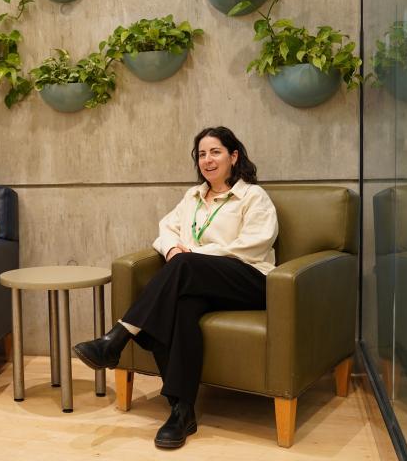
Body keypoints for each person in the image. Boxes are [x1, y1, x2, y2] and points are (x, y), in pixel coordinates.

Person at [74, 126, 278, 449]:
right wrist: (171, 249)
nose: (207, 160)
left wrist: (190, 257)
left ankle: (118, 338)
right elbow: (165, 228)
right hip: (199, 281)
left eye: (215, 152)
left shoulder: (253, 196)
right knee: (181, 308)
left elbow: (251, 246)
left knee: (183, 266)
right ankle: (181, 411)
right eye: (201, 154)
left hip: (250, 280)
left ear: (233, 156)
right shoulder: (193, 197)